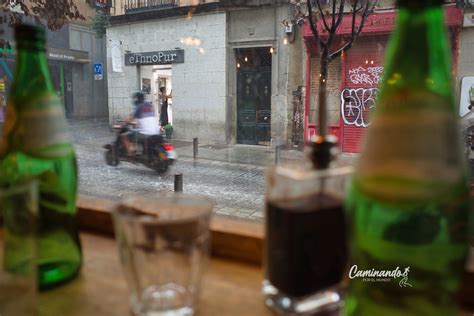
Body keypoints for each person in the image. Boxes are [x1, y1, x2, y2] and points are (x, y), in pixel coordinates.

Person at [120, 91, 160, 156]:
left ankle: (130, 153)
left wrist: (122, 124)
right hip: (156, 132)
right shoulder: (150, 106)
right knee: (137, 131)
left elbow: (129, 119)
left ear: (136, 99)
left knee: (124, 136)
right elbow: (145, 120)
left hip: (146, 133)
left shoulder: (139, 107)